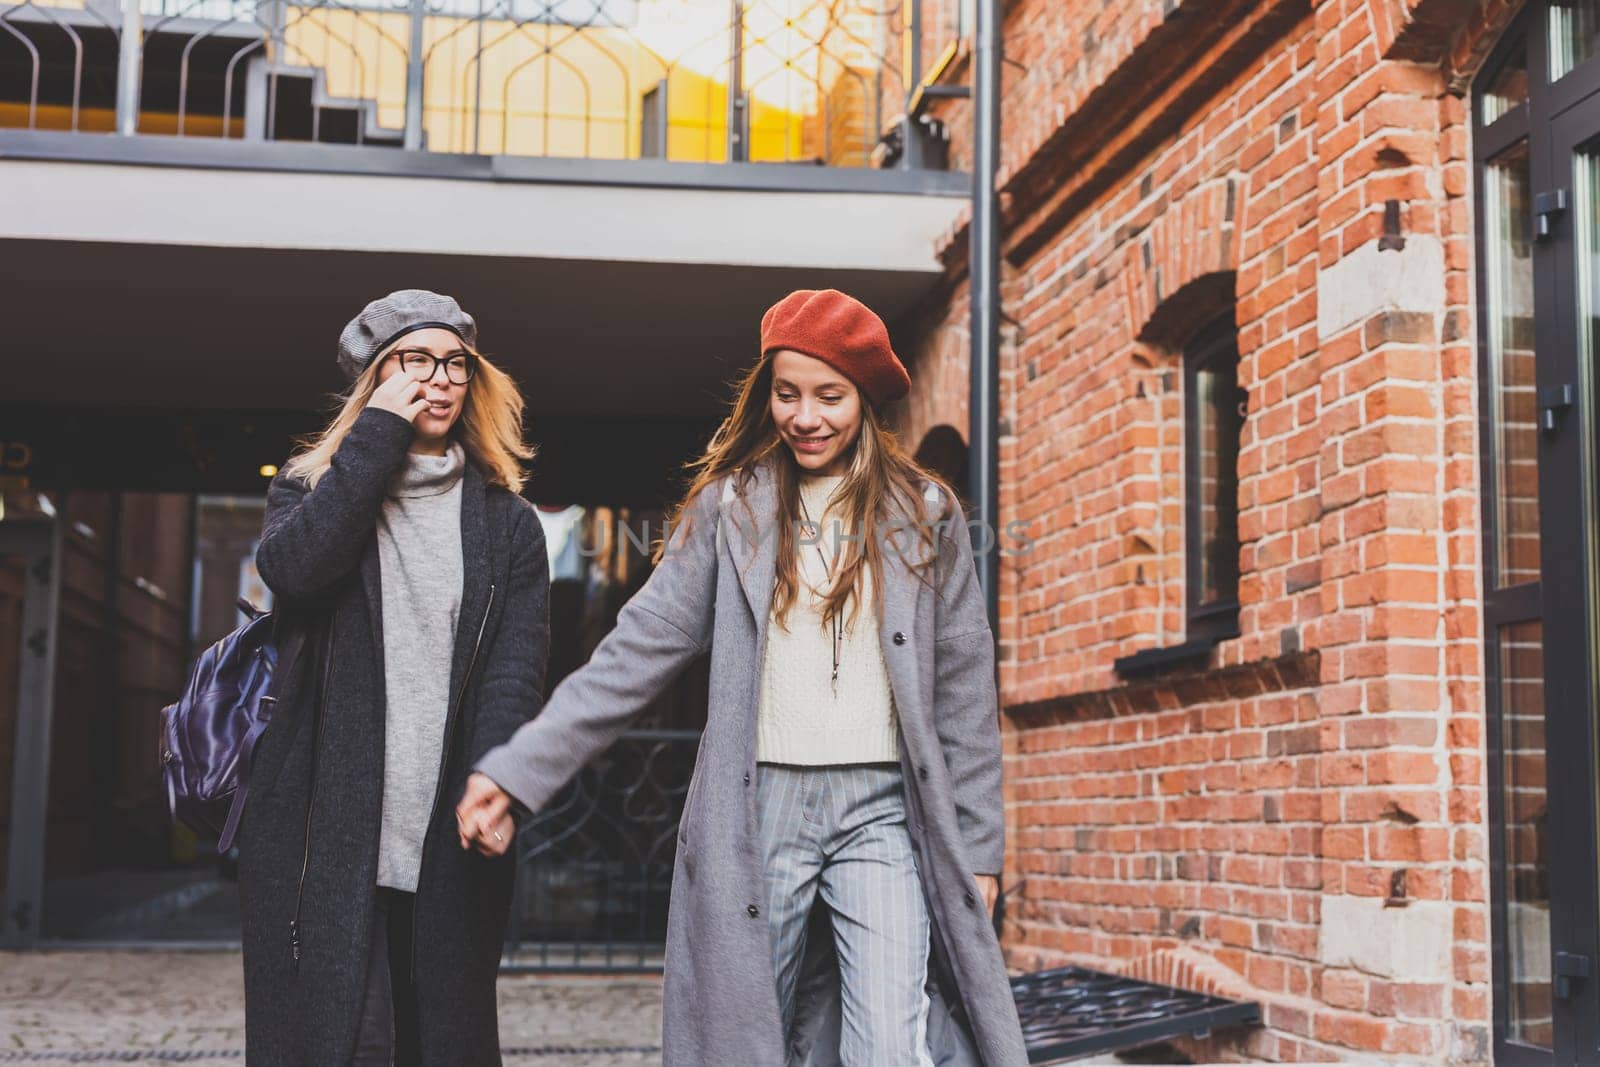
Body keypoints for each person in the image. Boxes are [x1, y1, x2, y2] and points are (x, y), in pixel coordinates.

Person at [458, 289, 1027, 1065]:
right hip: (761, 807)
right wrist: (521, 770)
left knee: (893, 1044)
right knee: (746, 1036)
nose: (806, 416)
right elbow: (639, 648)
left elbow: (965, 685)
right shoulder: (731, 508)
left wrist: (982, 848)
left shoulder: (925, 513)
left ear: (864, 397)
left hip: (886, 811)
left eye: (829, 396)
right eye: (787, 393)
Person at [243, 289, 549, 1065]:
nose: (440, 379)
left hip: (449, 837)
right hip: (324, 835)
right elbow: (297, 574)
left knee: (436, 1043)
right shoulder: (308, 491)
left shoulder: (505, 522)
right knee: (341, 1045)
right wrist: (378, 433)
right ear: (377, 377)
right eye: (417, 361)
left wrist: (498, 780)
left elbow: (515, 670)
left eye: (455, 364)